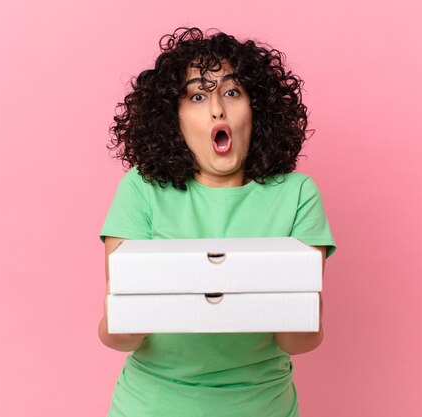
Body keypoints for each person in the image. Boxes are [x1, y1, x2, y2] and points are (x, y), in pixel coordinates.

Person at [98, 27, 336, 417]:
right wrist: (122, 320)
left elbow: (299, 340)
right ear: (173, 118)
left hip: (263, 406)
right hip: (152, 405)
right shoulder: (140, 189)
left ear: (256, 108)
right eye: (197, 95)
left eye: (231, 92)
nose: (216, 110)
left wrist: (298, 305)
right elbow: (119, 335)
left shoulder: (297, 194)